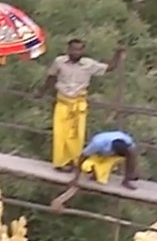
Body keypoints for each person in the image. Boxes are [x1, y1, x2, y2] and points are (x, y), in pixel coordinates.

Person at [45, 40, 125, 170]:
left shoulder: (89, 64)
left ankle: (75, 161)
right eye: (73, 49)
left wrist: (117, 54)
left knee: (77, 135)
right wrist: (42, 92)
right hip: (63, 102)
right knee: (60, 134)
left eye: (79, 50)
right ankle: (60, 163)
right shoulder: (59, 62)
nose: (75, 52)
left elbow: (109, 68)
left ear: (83, 51)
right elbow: (51, 77)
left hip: (78, 103)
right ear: (68, 49)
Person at [71, 130, 139, 188]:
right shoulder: (97, 144)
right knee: (87, 166)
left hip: (117, 149)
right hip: (98, 153)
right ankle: (94, 173)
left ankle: (126, 180)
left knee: (130, 156)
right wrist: (76, 178)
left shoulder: (128, 141)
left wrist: (129, 176)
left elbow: (132, 156)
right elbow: (82, 156)